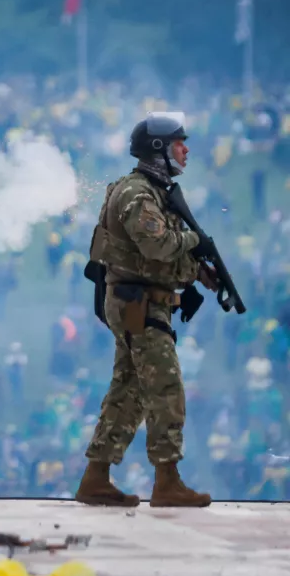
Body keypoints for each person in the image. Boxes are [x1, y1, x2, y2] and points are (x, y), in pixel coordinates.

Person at [76, 112, 214, 508]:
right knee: (166, 389)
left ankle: (96, 477)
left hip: (138, 301)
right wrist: (195, 240)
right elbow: (158, 246)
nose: (185, 150)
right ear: (158, 150)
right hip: (139, 304)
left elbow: (151, 254)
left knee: (129, 391)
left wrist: (195, 272)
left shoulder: (153, 190)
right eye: (177, 144)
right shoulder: (139, 193)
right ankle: (167, 481)